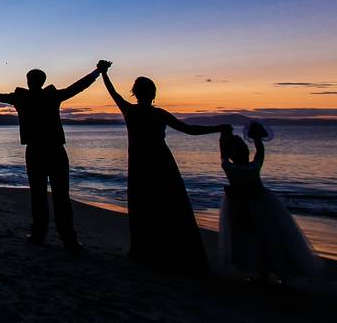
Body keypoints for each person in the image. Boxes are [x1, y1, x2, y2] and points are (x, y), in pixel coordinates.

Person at [98, 60, 230, 272]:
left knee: (143, 206)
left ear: (135, 93)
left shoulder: (130, 111)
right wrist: (218, 128)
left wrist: (103, 73)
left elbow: (112, 92)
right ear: (153, 93)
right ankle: (170, 251)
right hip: (161, 162)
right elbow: (189, 129)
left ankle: (145, 250)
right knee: (169, 205)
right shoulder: (159, 114)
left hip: (142, 163)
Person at [0, 65, 103, 252]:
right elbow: (77, 87)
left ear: (29, 81)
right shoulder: (48, 96)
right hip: (53, 150)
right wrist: (96, 73)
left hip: (37, 151)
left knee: (40, 195)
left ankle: (42, 234)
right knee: (60, 196)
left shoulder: (24, 97)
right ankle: (66, 239)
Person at [218, 122, 322, 282]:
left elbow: (223, 154)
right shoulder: (253, 166)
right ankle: (268, 271)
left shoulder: (229, 167)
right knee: (267, 236)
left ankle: (258, 271)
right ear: (244, 153)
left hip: (239, 204)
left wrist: (224, 136)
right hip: (260, 203)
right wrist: (256, 137)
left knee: (246, 237)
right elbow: (260, 151)